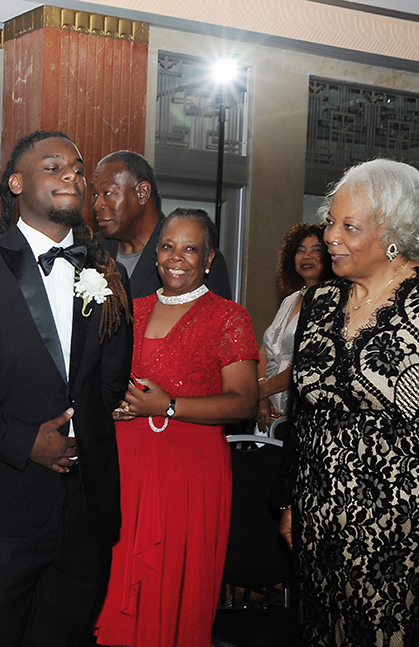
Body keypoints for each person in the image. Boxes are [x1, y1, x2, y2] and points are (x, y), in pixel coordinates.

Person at [0, 131, 133, 647]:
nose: (72, 175)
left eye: (78, 168)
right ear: (16, 182)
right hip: (3, 505)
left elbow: (109, 383)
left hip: (87, 508)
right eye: (54, 165)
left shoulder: (107, 272)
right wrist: (24, 441)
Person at [277, 159, 419, 645]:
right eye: (331, 221)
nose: (330, 235)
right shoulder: (320, 301)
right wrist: (288, 499)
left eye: (348, 226)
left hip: (404, 536)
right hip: (320, 526)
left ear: (394, 233)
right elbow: (304, 412)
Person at [94, 208, 259, 647]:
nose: (176, 257)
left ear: (209, 259)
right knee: (115, 579)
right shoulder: (132, 309)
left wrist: (167, 406)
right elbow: (105, 382)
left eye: (191, 248)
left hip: (188, 472)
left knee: (173, 583)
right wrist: (114, 407)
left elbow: (244, 400)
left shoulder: (229, 317)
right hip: (127, 463)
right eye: (168, 246)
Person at [91, 150, 233, 300]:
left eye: (107, 192)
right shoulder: (92, 249)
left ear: (142, 193)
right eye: (95, 194)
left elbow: (218, 319)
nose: (97, 205)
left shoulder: (196, 259)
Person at [256, 223, 333, 434]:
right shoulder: (290, 300)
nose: (306, 256)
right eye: (300, 250)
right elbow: (265, 350)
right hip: (267, 413)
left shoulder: (332, 303)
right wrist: (261, 397)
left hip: (302, 417)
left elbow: (310, 366)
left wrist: (260, 390)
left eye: (316, 250)